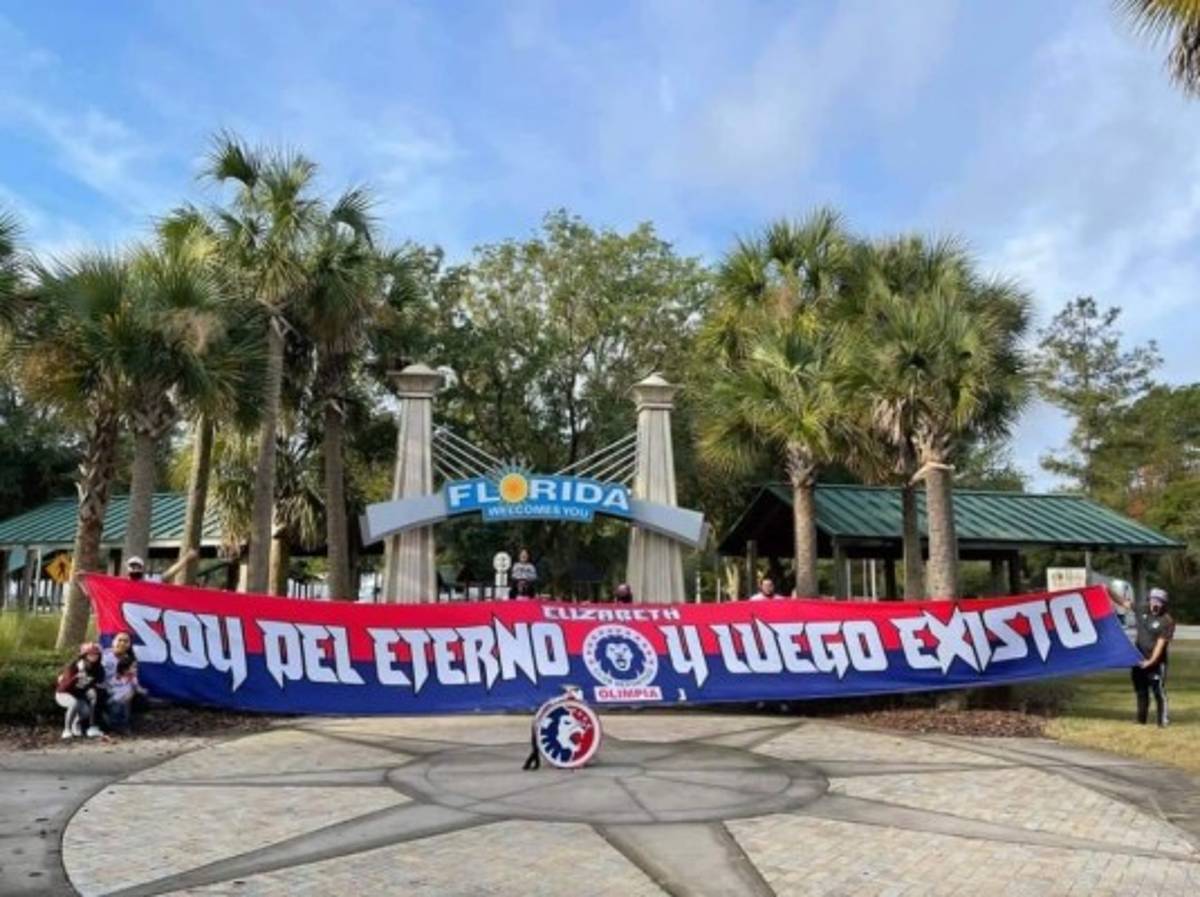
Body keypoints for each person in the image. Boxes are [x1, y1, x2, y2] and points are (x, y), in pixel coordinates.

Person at [55, 643, 107, 739]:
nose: (94, 656)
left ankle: (78, 724)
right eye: (90, 654)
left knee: (86, 711)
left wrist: (91, 689)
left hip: (79, 696)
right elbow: (64, 687)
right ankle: (66, 730)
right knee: (73, 703)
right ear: (84, 655)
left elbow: (97, 682)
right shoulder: (73, 667)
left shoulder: (98, 668)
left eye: (96, 654)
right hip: (63, 694)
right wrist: (76, 676)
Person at [106, 655, 146, 735]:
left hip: (126, 700)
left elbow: (137, 687)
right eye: (134, 667)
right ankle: (115, 725)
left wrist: (142, 691)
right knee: (117, 707)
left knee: (126, 704)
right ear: (125, 669)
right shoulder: (116, 678)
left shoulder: (133, 678)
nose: (136, 669)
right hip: (115, 700)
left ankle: (124, 725)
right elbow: (110, 689)